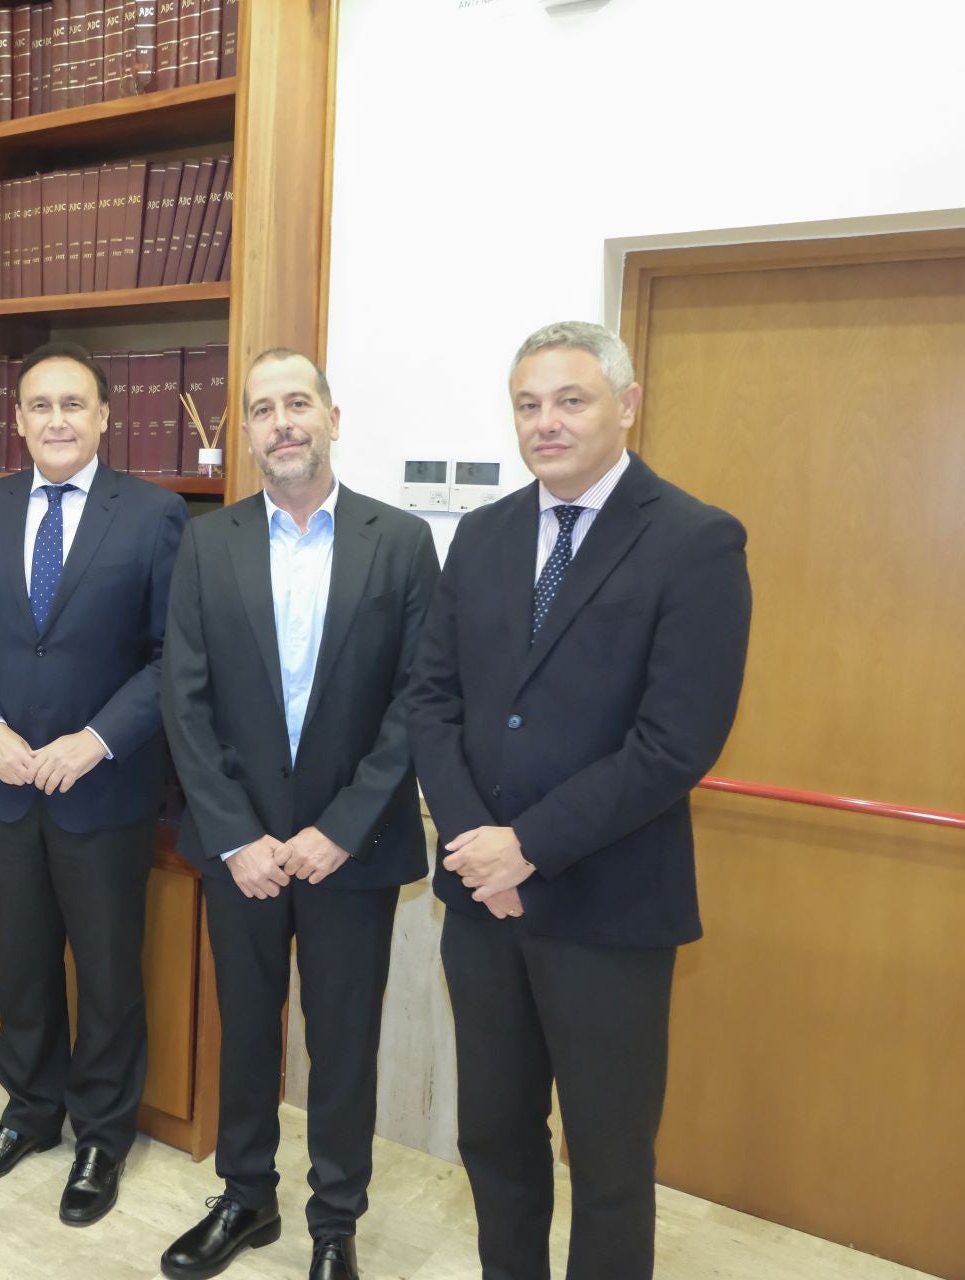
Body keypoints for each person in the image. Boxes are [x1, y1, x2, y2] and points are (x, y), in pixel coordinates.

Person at [405, 321, 753, 1279]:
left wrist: (529, 846)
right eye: (528, 404)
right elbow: (432, 700)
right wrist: (478, 840)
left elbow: (675, 742)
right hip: (483, 908)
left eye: (571, 400)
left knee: (607, 1163)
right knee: (494, 1140)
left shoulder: (694, 540)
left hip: (607, 913)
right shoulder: (483, 534)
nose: (545, 423)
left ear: (626, 405)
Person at [158, 349, 440, 1280]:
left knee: (343, 1038)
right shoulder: (209, 541)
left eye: (298, 404)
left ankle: (334, 1222)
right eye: (262, 409)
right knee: (245, 1029)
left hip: (349, 852)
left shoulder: (399, 541)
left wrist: (340, 827)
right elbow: (184, 701)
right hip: (239, 849)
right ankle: (245, 1199)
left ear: (331, 417)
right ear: (245, 430)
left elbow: (417, 700)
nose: (281, 422)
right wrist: (237, 835)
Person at [0, 340, 187, 1225]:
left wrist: (97, 740)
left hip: (104, 791)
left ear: (107, 416)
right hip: (2, 786)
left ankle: (101, 1137)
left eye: (74, 404)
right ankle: (30, 1112)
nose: (57, 421)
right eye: (40, 405)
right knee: (21, 960)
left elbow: (170, 658)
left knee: (110, 972)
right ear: (19, 419)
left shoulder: (155, 514)